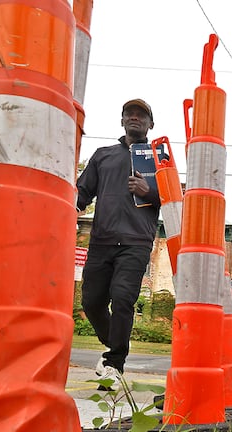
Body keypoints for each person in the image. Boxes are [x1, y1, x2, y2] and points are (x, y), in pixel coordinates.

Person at [76, 98, 162, 390]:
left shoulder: (159, 158)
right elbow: (81, 193)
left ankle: (114, 364)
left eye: (141, 115)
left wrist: (148, 191)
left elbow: (174, 199)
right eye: (129, 114)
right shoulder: (103, 155)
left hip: (136, 241)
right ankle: (113, 343)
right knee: (92, 301)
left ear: (151, 124)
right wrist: (67, 209)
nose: (134, 118)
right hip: (101, 241)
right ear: (122, 120)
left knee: (123, 298)